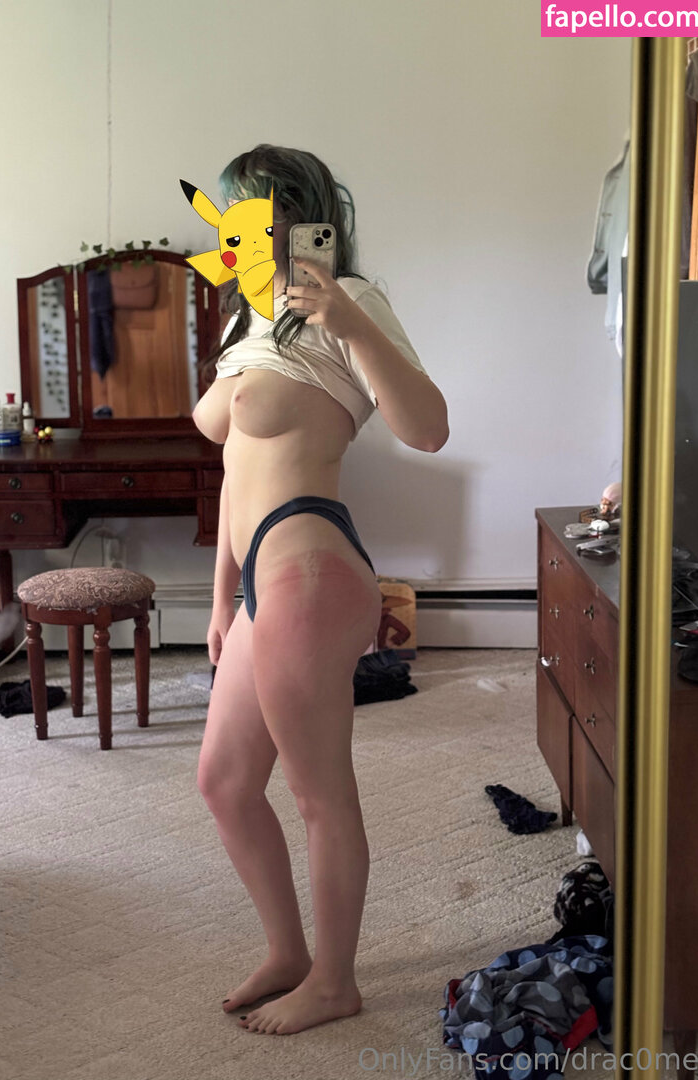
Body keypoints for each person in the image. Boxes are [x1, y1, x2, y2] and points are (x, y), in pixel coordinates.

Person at [192, 144, 449, 1036]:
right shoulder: (247, 317)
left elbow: (428, 429)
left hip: (309, 564)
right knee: (225, 783)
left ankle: (336, 982)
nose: (234, 230)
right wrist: (221, 602)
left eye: (251, 212)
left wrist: (349, 319)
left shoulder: (350, 301)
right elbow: (234, 468)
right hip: (259, 580)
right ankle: (289, 952)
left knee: (318, 792)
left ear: (297, 217)